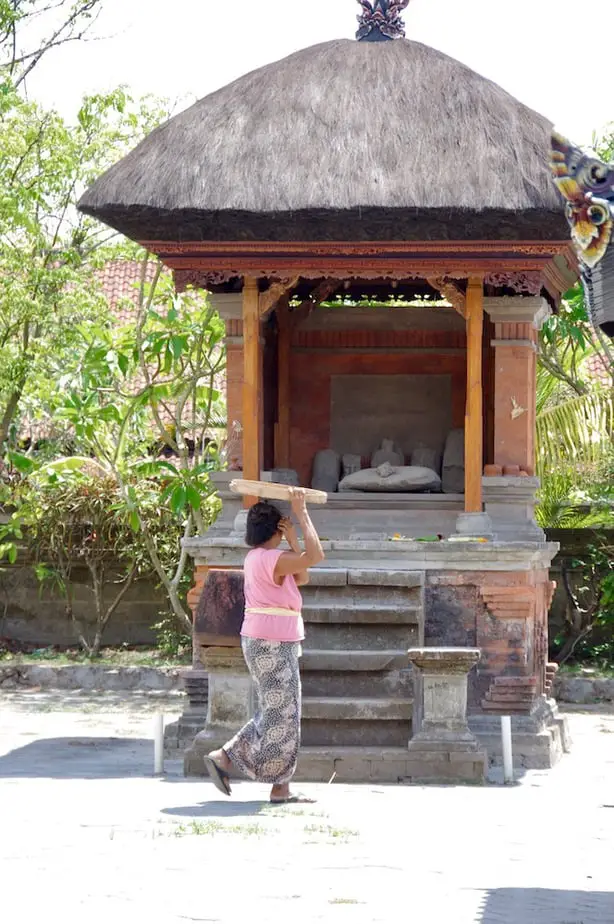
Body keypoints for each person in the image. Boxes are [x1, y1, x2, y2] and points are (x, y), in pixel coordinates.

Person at [204, 486, 325, 804]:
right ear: (275, 530)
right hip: (271, 642)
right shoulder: (271, 559)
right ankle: (225, 757)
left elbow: (303, 576)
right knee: (279, 714)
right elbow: (315, 558)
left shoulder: (260, 557)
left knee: (282, 713)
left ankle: (280, 786)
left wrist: (292, 540)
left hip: (267, 639)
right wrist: (302, 514)